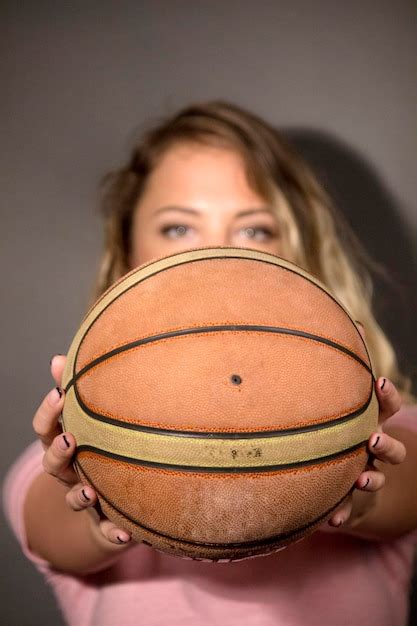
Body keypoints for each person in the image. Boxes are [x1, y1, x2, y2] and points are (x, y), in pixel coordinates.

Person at [3, 101, 417, 626]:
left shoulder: (389, 431)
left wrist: (355, 490)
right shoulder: (66, 455)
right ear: (128, 253)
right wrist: (98, 505)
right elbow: (54, 529)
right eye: (178, 229)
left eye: (255, 230)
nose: (218, 255)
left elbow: (407, 489)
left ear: (299, 255)